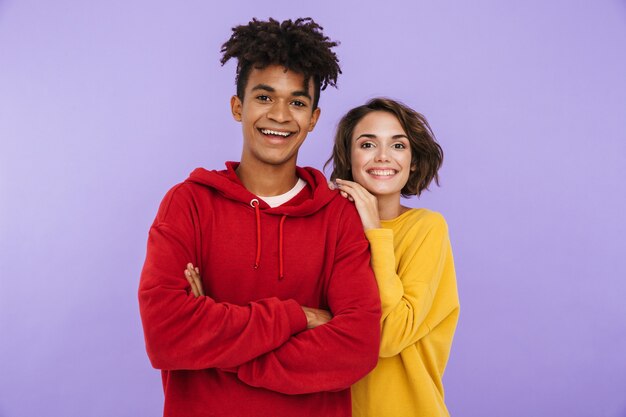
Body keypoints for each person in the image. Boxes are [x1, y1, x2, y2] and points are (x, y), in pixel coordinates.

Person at [137, 18, 381, 417]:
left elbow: (357, 346)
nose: (281, 115)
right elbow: (166, 333)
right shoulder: (189, 204)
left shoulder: (338, 217)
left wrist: (216, 348)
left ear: (313, 119)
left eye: (297, 102)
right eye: (265, 97)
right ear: (238, 107)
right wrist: (295, 317)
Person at [326, 98, 460, 416]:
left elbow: (389, 335)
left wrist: (375, 229)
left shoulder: (427, 228)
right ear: (350, 158)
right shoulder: (330, 231)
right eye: (368, 144)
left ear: (413, 161)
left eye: (398, 145)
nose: (383, 156)